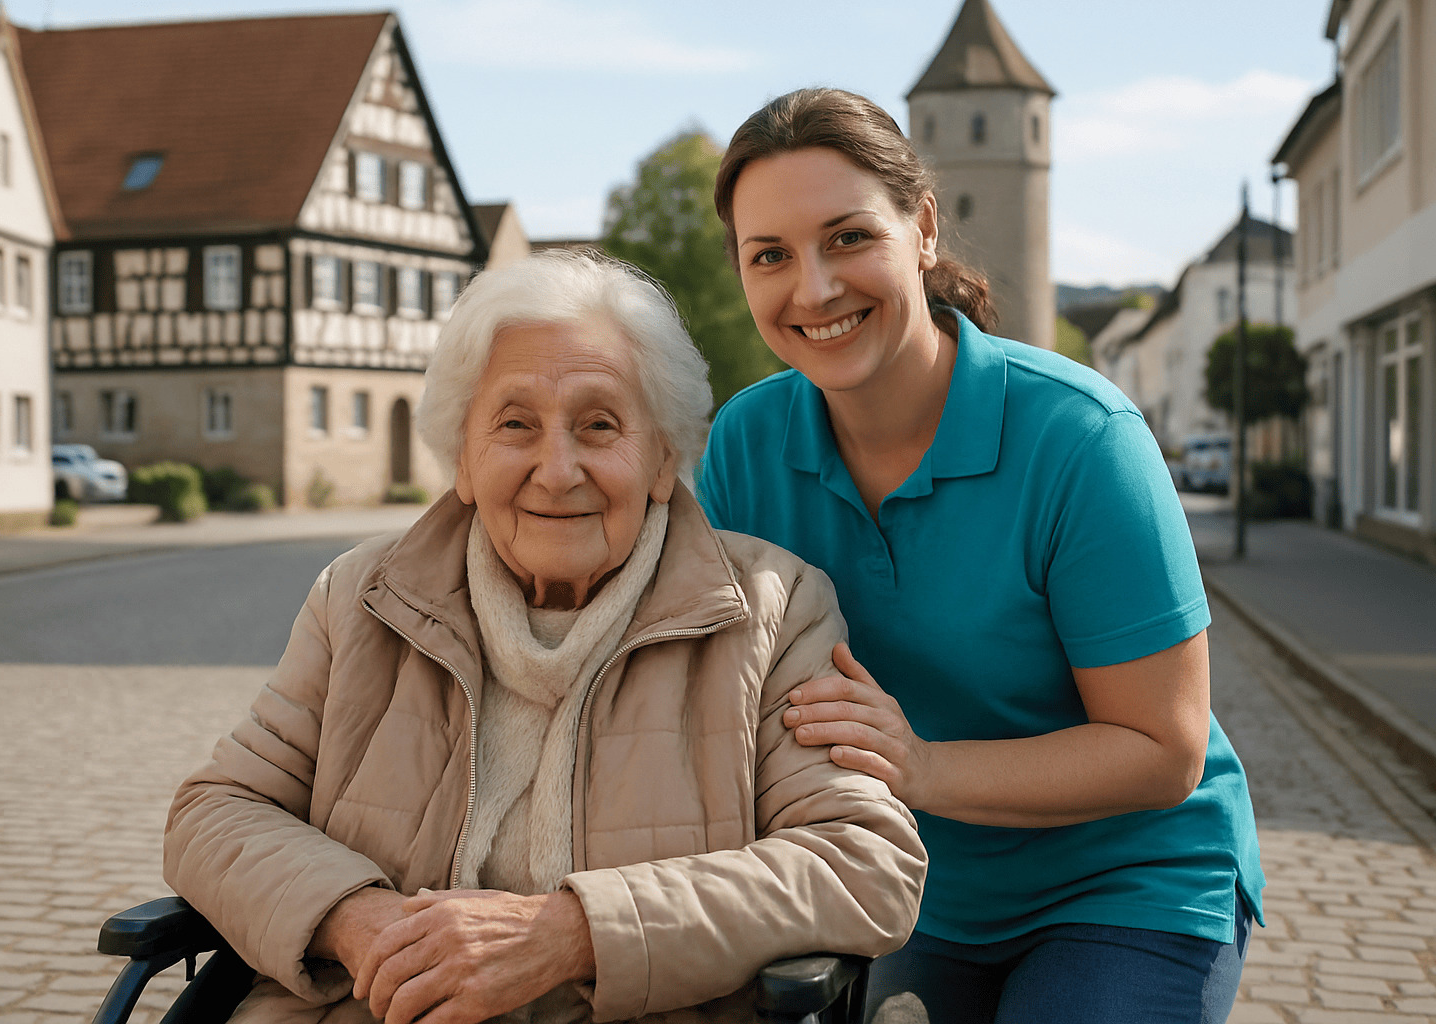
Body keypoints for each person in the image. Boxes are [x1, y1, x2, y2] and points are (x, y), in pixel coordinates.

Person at [163, 250, 926, 1024]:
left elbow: (862, 863)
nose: (556, 470)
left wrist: (573, 933)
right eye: (515, 425)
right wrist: (359, 923)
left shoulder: (773, 609)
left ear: (664, 458)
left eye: (599, 425)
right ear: (463, 457)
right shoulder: (360, 599)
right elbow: (216, 811)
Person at [697, 87, 1264, 1024]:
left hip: (1128, 882)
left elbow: (1164, 750)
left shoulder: (1081, 439)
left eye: (847, 237)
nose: (815, 288)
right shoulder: (745, 445)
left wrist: (920, 769)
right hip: (915, 884)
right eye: (772, 256)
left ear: (921, 229)